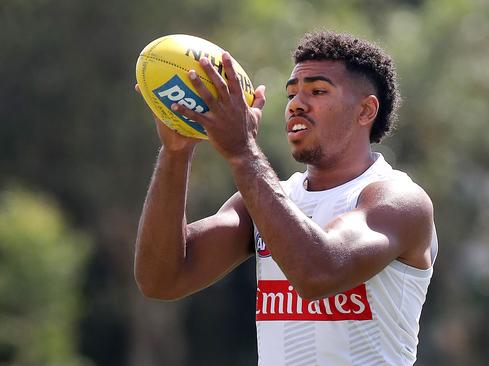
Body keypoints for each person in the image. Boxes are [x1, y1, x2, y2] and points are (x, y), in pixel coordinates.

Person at [134, 31, 438, 365]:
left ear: (366, 110)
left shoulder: (399, 200)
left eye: (318, 91)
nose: (296, 104)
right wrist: (176, 151)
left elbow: (318, 273)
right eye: (292, 93)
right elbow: (162, 279)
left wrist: (242, 153)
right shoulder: (262, 201)